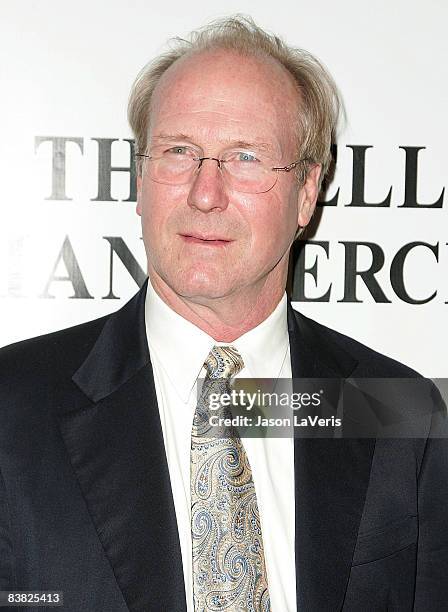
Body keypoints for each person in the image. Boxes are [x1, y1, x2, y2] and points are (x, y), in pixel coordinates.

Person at [0, 16, 447, 612]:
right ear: (139, 177)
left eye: (245, 157)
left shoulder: (396, 408)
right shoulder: (11, 407)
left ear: (308, 191)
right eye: (179, 151)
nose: (204, 193)